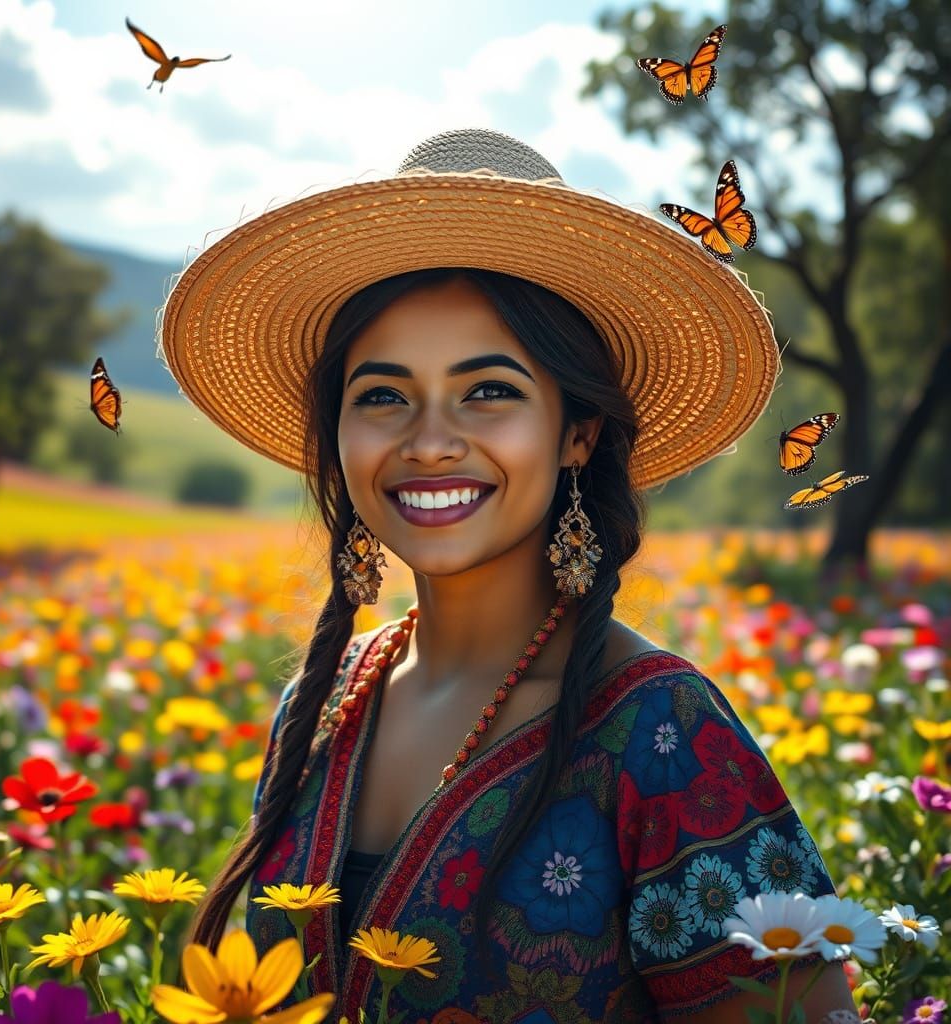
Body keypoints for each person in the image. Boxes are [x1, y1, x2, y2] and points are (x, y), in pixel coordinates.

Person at [158, 129, 860, 1023]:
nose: (429, 439)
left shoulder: (662, 731)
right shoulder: (321, 702)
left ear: (578, 431)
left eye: (488, 389)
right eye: (380, 395)